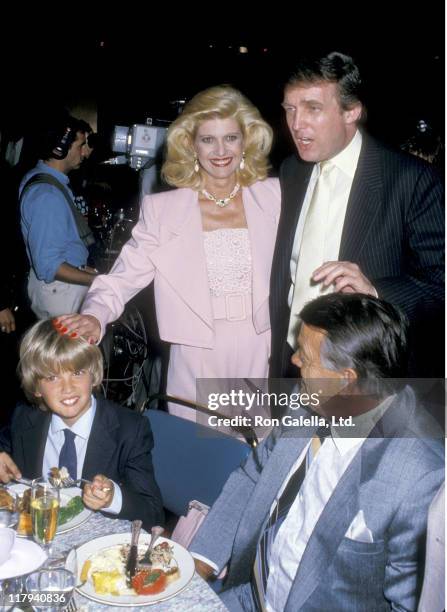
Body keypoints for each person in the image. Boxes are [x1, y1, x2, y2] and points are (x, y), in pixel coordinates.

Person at [191, 293, 444, 611]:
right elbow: (254, 477)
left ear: (346, 380)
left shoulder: (423, 479)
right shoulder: (309, 399)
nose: (294, 361)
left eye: (305, 357)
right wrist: (197, 566)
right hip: (249, 598)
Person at [56, 86, 280, 419]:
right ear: (190, 144)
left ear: (247, 140)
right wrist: (95, 314)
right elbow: (122, 277)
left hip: (261, 345)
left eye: (231, 138)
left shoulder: (276, 196)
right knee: (197, 458)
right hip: (195, 351)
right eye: (208, 140)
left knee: (252, 454)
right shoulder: (164, 210)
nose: (221, 151)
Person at [269, 51, 444, 380]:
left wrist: (375, 292)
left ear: (352, 111)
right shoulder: (291, 171)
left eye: (313, 108)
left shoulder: (410, 179)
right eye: (290, 109)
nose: (296, 124)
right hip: (293, 365)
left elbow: (441, 282)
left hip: (364, 375)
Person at [0, 318, 164, 529]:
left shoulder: (130, 430)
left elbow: (153, 513)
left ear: (93, 374)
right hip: (38, 535)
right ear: (36, 387)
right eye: (52, 377)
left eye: (77, 373)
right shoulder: (23, 419)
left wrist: (113, 498)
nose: (68, 388)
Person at [20, 115, 97, 320]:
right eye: (80, 145)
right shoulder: (47, 195)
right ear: (60, 149)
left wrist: (84, 269)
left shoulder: (45, 178)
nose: (85, 152)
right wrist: (95, 280)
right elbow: (50, 266)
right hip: (59, 292)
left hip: (59, 288)